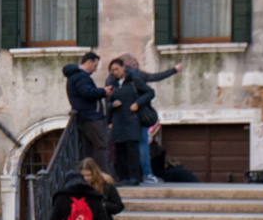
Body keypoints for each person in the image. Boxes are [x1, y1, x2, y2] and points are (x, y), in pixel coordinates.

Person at [120, 54, 178, 183]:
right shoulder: (136, 75)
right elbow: (154, 78)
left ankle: (130, 176)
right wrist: (174, 69)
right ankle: (146, 174)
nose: (137, 63)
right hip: (139, 116)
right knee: (142, 144)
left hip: (123, 118)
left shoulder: (113, 79)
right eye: (133, 60)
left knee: (127, 147)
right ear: (126, 64)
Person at [64, 51, 115, 173]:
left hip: (85, 116)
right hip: (91, 117)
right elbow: (87, 93)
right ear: (89, 62)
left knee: (90, 148)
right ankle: (101, 175)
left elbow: (87, 92)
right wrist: (104, 92)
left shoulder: (76, 76)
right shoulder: (81, 77)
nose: (95, 69)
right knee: (100, 145)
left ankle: (90, 174)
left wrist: (101, 91)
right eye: (95, 65)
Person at [105, 57, 145, 185]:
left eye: (117, 69)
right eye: (112, 70)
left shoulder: (134, 81)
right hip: (118, 121)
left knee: (132, 150)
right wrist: (112, 105)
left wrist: (138, 103)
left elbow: (149, 93)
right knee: (120, 150)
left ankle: (135, 176)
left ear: (123, 68)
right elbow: (107, 103)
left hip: (132, 120)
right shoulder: (112, 85)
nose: (115, 72)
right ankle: (123, 177)